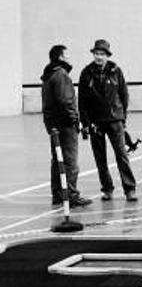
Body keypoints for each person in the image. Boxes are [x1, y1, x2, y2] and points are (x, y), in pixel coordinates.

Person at [78, 39, 137, 202]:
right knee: (100, 158)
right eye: (96, 53)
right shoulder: (86, 72)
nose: (99, 57)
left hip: (115, 119)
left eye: (102, 54)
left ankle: (130, 189)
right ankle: (107, 188)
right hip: (95, 121)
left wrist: (122, 117)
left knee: (121, 155)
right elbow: (82, 100)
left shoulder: (116, 70)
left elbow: (124, 95)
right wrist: (85, 122)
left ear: (107, 56)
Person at [41, 45, 92, 208]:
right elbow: (66, 101)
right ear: (60, 57)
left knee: (58, 159)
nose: (69, 58)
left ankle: (58, 194)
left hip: (53, 124)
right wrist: (75, 121)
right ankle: (70, 194)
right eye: (67, 55)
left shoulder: (48, 74)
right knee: (70, 161)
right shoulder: (61, 75)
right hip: (65, 124)